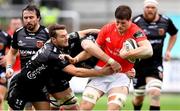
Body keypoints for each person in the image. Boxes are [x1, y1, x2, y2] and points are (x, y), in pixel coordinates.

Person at [6, 24, 114, 110]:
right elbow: (76, 72)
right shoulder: (53, 55)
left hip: (41, 85)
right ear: (53, 39)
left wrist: (103, 33)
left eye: (66, 34)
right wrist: (101, 72)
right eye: (63, 36)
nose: (67, 38)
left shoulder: (63, 40)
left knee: (68, 106)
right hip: (23, 84)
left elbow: (84, 32)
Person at [79, 5, 153, 110]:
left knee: (113, 108)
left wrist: (127, 54)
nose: (119, 26)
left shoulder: (136, 31)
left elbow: (149, 50)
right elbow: (93, 50)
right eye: (117, 22)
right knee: (85, 107)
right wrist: (76, 59)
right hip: (101, 71)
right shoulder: (107, 28)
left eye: (123, 23)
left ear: (130, 20)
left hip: (121, 76)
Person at [131, 0, 178, 110]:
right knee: (138, 98)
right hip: (139, 65)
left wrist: (168, 51)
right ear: (144, 8)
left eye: (152, 7)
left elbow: (174, 34)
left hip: (155, 64)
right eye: (148, 7)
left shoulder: (165, 21)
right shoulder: (136, 21)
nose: (150, 9)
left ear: (156, 9)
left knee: (155, 93)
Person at [5, 4, 50, 110]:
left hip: (40, 83)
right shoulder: (18, 33)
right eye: (25, 18)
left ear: (38, 18)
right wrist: (9, 67)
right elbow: (12, 53)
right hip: (22, 81)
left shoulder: (47, 33)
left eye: (31, 17)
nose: (28, 20)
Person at [0, 29, 11, 110]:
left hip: (1, 71)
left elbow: (14, 51)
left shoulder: (5, 35)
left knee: (0, 99)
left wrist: (7, 57)